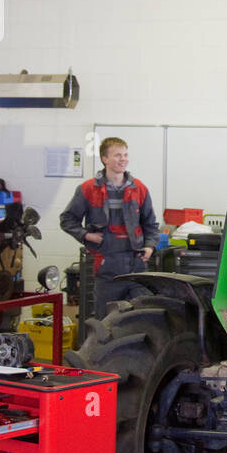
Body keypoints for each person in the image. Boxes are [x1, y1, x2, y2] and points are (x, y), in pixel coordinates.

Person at [60, 137, 159, 319]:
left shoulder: (140, 189)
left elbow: (151, 224)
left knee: (145, 319)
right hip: (107, 271)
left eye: (125, 155)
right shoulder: (88, 189)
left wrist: (150, 246)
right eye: (117, 155)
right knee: (105, 324)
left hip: (137, 269)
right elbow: (67, 219)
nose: (123, 159)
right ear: (104, 159)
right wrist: (87, 236)